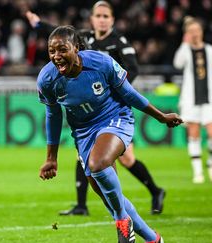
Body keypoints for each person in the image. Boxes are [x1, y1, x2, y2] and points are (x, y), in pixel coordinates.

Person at [38, 25, 181, 243]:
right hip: (83, 132)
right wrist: (51, 158)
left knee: (98, 163)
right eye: (51, 51)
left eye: (62, 50)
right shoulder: (47, 79)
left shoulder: (101, 63)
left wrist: (160, 116)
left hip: (115, 118)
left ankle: (123, 225)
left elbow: (129, 94)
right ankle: (154, 239)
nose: (56, 57)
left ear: (76, 47)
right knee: (109, 196)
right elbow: (53, 116)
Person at [26, 1, 166, 216]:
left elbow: (132, 70)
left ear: (112, 20)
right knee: (87, 160)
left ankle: (154, 192)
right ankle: (87, 206)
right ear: (91, 19)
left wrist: (117, 88)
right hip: (88, 117)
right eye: (97, 16)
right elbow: (58, 36)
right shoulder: (83, 38)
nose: (101, 19)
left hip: (112, 109)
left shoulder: (119, 42)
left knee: (124, 159)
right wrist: (38, 24)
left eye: (105, 16)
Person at [173, 16, 212, 184]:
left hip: (209, 98)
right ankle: (198, 172)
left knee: (211, 132)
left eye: (197, 30)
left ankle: (210, 164)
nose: (195, 34)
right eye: (191, 31)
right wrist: (184, 43)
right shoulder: (186, 51)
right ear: (187, 34)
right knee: (194, 133)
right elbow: (178, 64)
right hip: (191, 99)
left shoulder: (209, 50)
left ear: (202, 32)